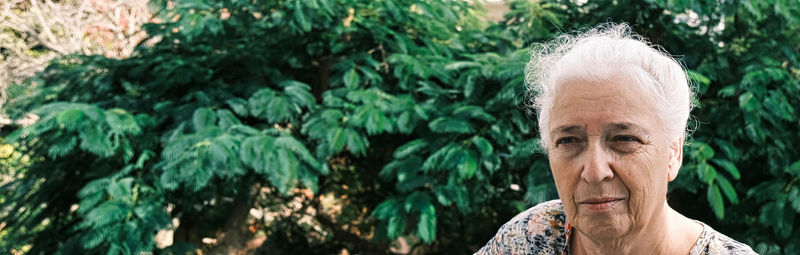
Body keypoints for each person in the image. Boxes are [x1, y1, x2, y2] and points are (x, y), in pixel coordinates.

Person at [475, 23, 756, 255]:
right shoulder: (530, 236)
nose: (595, 172)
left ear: (673, 153)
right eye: (569, 141)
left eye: (624, 139)